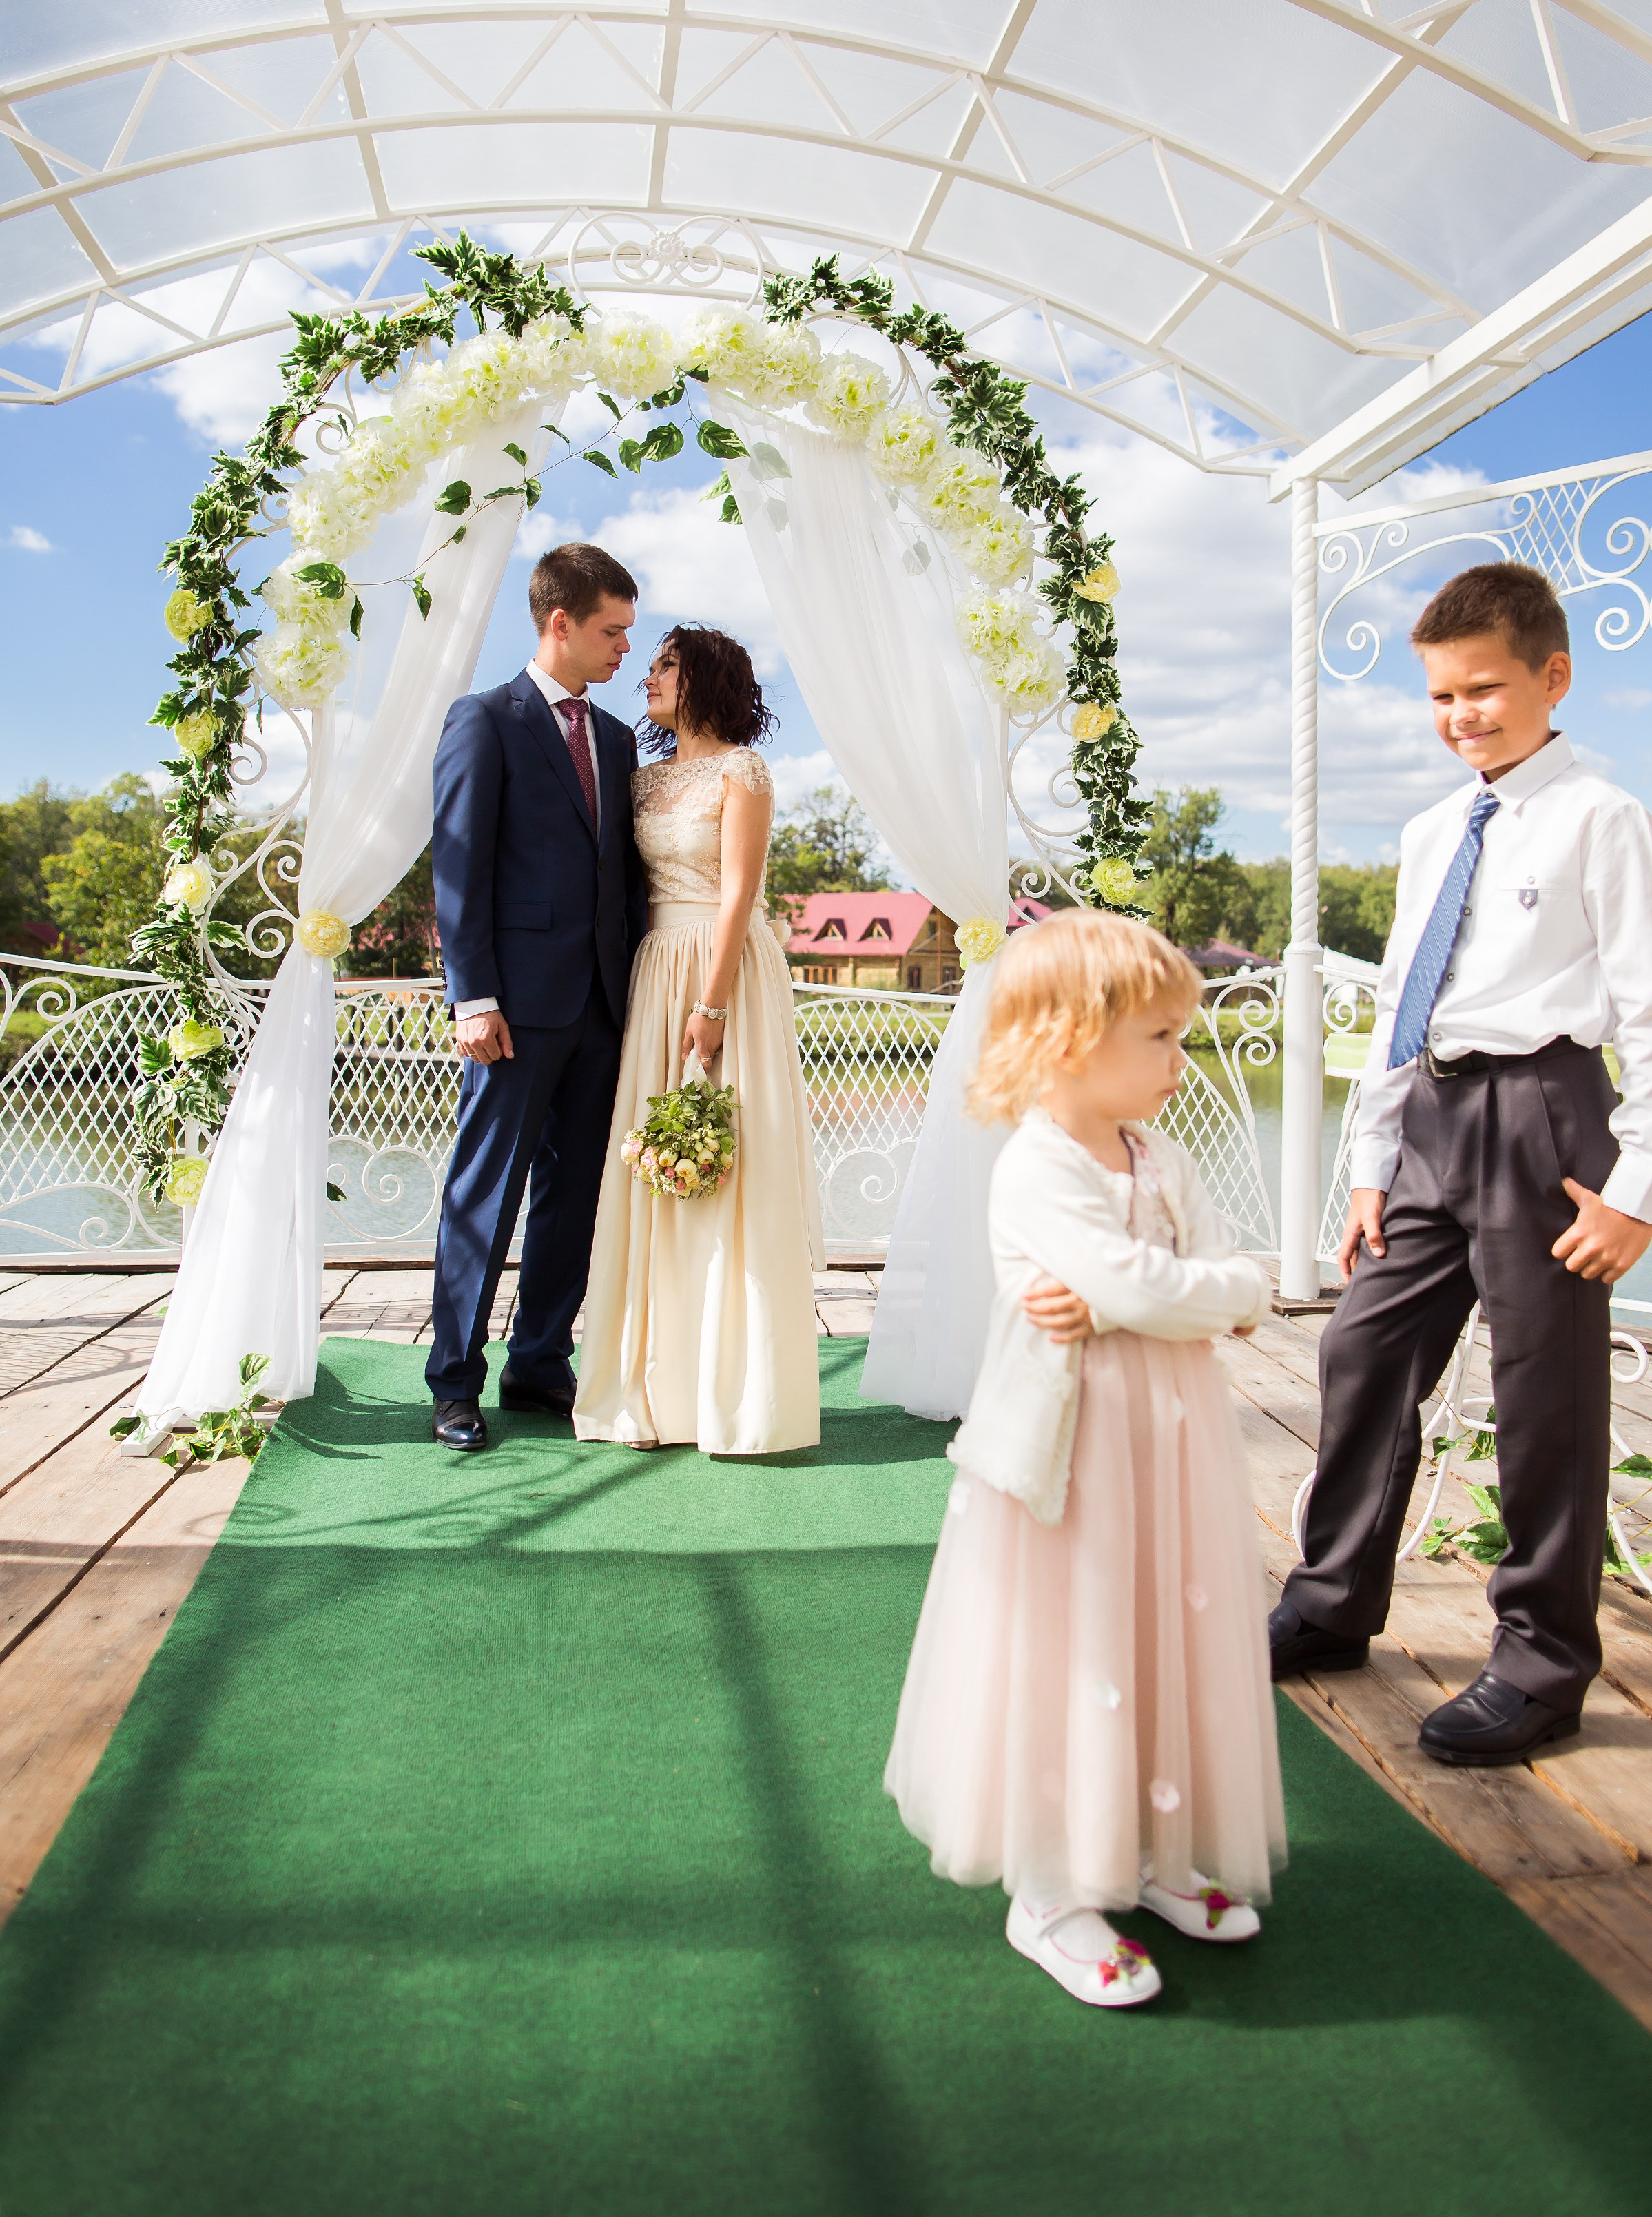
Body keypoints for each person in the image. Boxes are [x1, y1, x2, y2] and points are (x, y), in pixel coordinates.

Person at [1272, 561, 1652, 1766]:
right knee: (1359, 1347)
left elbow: (1647, 1009)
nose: (1459, 717)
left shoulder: (1601, 815)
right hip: (1431, 1120)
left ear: (1550, 677)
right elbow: (1400, 1002)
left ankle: (1540, 1665)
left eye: (1482, 690)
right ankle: (1330, 1605)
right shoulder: (1433, 826)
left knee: (1543, 1396)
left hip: (1546, 1114)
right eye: (1438, 696)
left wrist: (1634, 1192)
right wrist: (1371, 1163)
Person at [886, 911, 1281, 2010]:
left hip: (1169, 1439)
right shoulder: (1035, 1165)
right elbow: (1151, 1286)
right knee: (1082, 1639)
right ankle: (1055, 1886)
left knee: (1163, 1630)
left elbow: (1186, 1265)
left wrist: (1199, 1289)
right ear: (1069, 1039)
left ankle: (1148, 1851)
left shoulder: (1160, 1153)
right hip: (1072, 1454)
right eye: (1157, 1038)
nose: (1177, 1060)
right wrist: (1235, 1294)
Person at [575, 625, 823, 1454]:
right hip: (656, 970)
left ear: (705, 677)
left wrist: (711, 1007)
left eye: (666, 664)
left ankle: (739, 1393)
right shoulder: (640, 780)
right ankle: (655, 1386)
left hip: (725, 972)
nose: (645, 674)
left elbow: (738, 894)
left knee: (730, 1165)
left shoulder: (743, 770)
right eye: (646, 662)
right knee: (656, 1164)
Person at [424, 544, 650, 1452]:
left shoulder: (618, 739)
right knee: (487, 1190)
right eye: (611, 631)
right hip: (511, 1009)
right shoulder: (484, 720)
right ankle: (452, 1380)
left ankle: (539, 1360)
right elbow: (457, 867)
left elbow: (622, 880)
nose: (624, 648)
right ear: (560, 623)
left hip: (601, 1006)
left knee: (576, 1195)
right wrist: (470, 994)